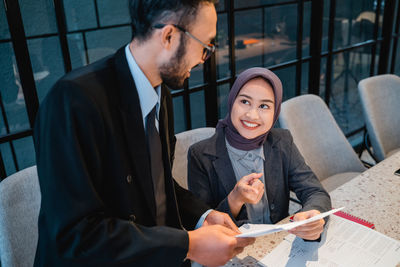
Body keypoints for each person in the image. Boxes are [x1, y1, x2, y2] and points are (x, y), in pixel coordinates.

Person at [33, 1, 255, 266]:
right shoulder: (73, 101)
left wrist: (203, 215)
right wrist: (189, 244)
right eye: (206, 47)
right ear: (169, 36)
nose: (203, 61)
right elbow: (76, 234)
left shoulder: (161, 92)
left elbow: (155, 186)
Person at [188, 67, 332, 241]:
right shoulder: (200, 155)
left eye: (264, 106)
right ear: (232, 101)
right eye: (245, 102)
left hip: (277, 243)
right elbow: (202, 227)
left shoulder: (282, 142)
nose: (252, 115)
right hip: (230, 249)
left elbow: (315, 191)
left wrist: (314, 217)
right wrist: (234, 199)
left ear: (275, 112)